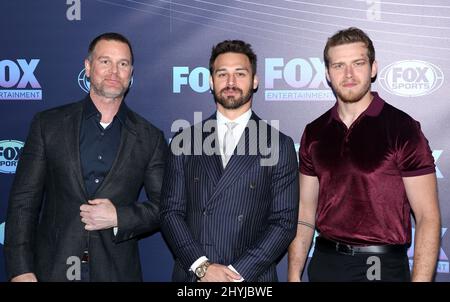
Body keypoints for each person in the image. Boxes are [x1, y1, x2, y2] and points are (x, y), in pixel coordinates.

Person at [4, 32, 167, 282]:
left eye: (122, 64)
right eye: (105, 61)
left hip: (117, 273)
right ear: (88, 67)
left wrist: (118, 217)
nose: (114, 71)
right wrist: (20, 270)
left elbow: (165, 208)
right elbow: (23, 202)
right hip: (52, 269)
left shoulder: (150, 137)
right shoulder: (48, 125)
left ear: (131, 73)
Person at [287, 27, 441, 282]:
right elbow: (305, 213)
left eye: (357, 63)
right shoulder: (314, 132)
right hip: (326, 263)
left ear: (373, 68)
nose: (348, 74)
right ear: (327, 74)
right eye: (338, 66)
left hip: (381, 266)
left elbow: (427, 217)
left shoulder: (402, 128)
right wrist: (293, 275)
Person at [160, 40, 299, 282]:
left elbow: (284, 222)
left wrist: (236, 273)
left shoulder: (279, 144)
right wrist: (202, 267)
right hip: (195, 276)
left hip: (252, 278)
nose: (231, 82)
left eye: (240, 74)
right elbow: (170, 212)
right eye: (222, 74)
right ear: (211, 82)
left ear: (254, 81)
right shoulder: (184, 141)